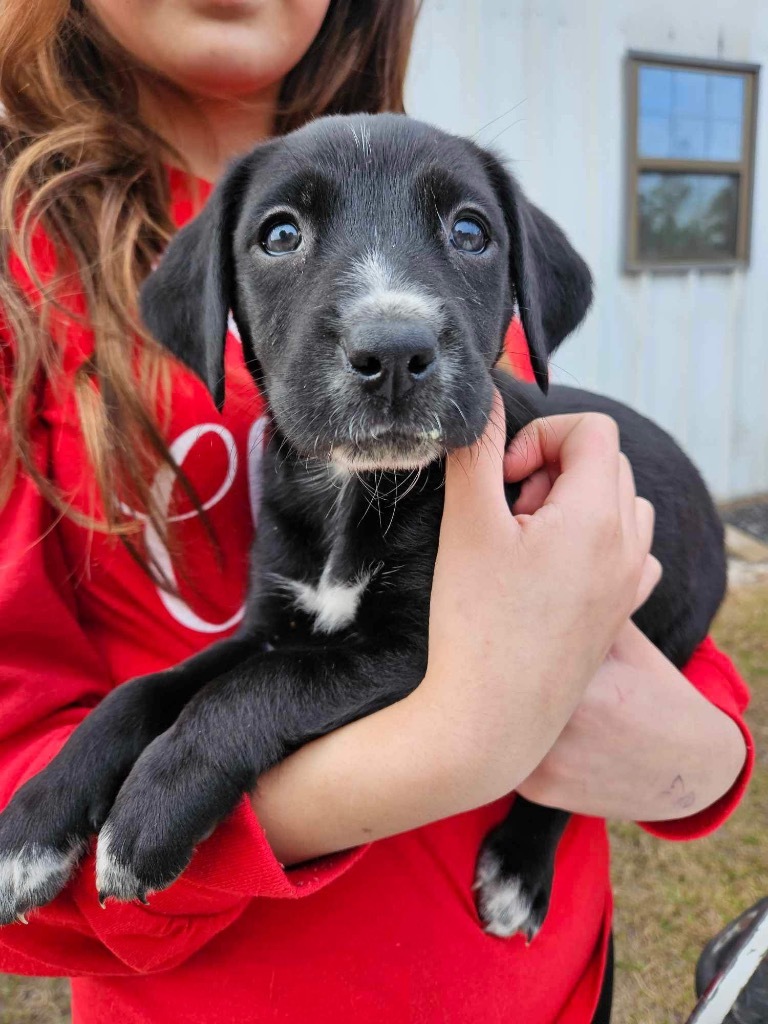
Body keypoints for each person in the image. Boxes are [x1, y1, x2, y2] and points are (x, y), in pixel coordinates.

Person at [0, 2, 752, 1022]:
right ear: (212, 300)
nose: (393, 320)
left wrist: (700, 757)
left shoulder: (499, 411)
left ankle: (528, 837)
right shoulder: (28, 294)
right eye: (283, 233)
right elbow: (310, 661)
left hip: (553, 988)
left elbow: (639, 664)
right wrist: (464, 736)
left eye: (465, 233)